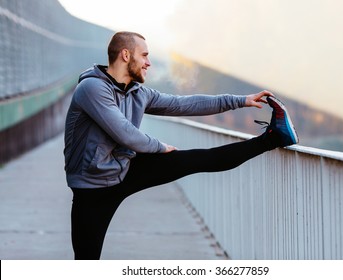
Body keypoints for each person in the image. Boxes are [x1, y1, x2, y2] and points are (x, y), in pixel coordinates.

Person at [64, 31, 299, 260]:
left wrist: (239, 101)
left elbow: (183, 104)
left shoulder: (138, 93)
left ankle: (274, 137)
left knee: (195, 159)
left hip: (124, 171)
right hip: (91, 188)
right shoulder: (92, 88)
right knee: (86, 259)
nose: (148, 63)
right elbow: (125, 134)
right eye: (144, 55)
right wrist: (159, 147)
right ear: (126, 55)